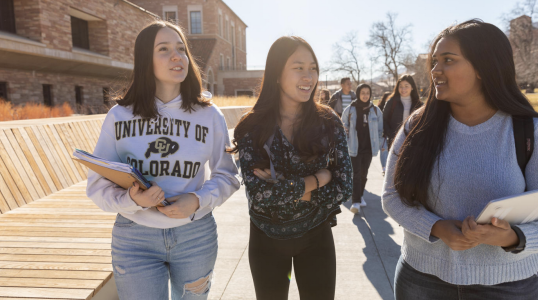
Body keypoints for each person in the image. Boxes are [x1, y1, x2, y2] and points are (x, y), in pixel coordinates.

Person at [382, 19, 538, 300]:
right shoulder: (417, 126)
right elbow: (392, 196)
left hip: (509, 288)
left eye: (448, 60)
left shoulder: (529, 131)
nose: (435, 70)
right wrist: (436, 227)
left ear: (485, 68)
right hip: (421, 281)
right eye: (435, 61)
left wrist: (512, 238)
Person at [86, 21, 240, 299]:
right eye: (164, 49)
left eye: (181, 49)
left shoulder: (209, 115)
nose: (176, 56)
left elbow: (228, 175)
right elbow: (98, 184)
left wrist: (197, 200)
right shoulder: (120, 116)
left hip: (195, 235)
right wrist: (132, 201)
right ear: (146, 59)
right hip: (135, 237)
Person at [230, 36, 352, 300]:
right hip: (266, 242)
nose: (309, 76)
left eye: (313, 68)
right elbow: (259, 195)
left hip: (316, 238)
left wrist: (286, 185)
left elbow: (345, 187)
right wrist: (318, 179)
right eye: (298, 67)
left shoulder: (328, 122)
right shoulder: (252, 127)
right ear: (276, 73)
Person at [341, 83, 383, 214]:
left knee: (364, 174)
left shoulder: (376, 110)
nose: (365, 95)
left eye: (367, 93)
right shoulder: (350, 109)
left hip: (369, 148)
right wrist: (346, 140)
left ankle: (360, 196)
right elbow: (343, 127)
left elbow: (381, 129)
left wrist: (380, 145)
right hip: (354, 147)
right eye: (362, 93)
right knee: (356, 174)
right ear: (358, 94)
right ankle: (356, 201)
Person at [382, 75, 422, 147]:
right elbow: (384, 120)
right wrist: (392, 135)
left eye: (406, 86)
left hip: (412, 143)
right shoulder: (391, 102)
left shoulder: (418, 104)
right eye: (400, 86)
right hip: (394, 142)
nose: (403, 89)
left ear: (412, 87)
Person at [377, 92, 391, 173]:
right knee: (383, 150)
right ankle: (384, 167)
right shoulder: (379, 108)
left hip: (389, 131)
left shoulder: (393, 107)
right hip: (382, 133)